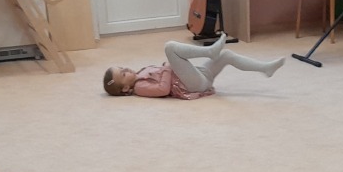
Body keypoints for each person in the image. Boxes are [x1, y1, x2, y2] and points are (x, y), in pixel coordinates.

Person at [102, 35, 285, 100]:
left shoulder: (141, 71)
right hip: (190, 85)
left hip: (198, 76)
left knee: (226, 55)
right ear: (125, 88)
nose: (126, 69)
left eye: (122, 67)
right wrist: (167, 67)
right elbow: (163, 89)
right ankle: (209, 51)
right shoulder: (140, 88)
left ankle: (264, 68)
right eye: (123, 74)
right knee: (170, 47)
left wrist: (168, 67)